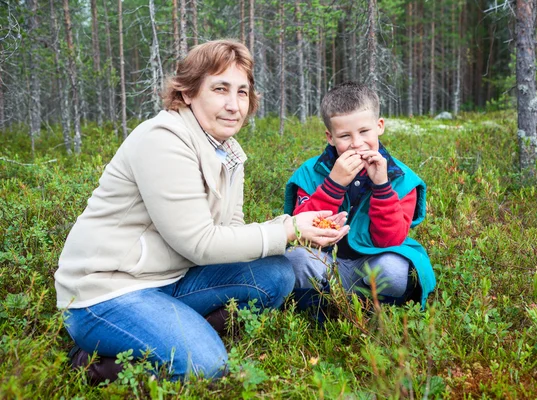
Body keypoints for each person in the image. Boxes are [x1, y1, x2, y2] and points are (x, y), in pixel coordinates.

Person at [55, 39, 349, 383]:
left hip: (169, 280)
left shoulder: (228, 151)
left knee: (277, 274)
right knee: (205, 366)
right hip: (106, 293)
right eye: (220, 89)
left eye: (242, 92)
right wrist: (289, 230)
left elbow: (231, 232)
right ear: (189, 92)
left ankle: (174, 333)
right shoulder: (162, 140)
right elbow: (198, 243)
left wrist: (295, 226)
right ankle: (94, 363)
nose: (233, 104)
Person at [283, 82, 436, 314]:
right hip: (326, 264)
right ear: (330, 137)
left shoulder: (402, 179)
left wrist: (382, 186)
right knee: (295, 259)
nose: (356, 143)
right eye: (344, 135)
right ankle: (328, 306)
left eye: (364, 132)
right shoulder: (310, 173)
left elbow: (390, 240)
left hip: (372, 265)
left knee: (395, 268)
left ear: (379, 126)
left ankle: (360, 307)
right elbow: (301, 232)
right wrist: (333, 184)